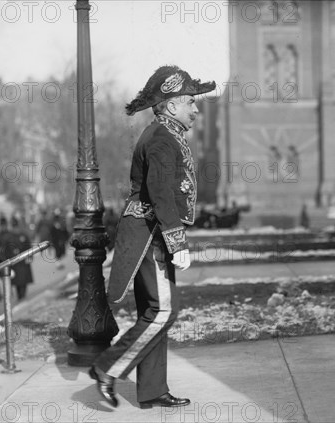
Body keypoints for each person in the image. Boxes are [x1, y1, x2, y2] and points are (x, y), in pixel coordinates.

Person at [89, 65, 215, 409]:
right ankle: (106, 369)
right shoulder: (161, 138)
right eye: (190, 101)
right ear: (172, 104)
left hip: (152, 232)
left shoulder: (166, 133)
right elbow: (160, 192)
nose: (195, 108)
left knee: (155, 310)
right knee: (162, 311)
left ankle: (152, 389)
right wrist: (177, 242)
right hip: (152, 236)